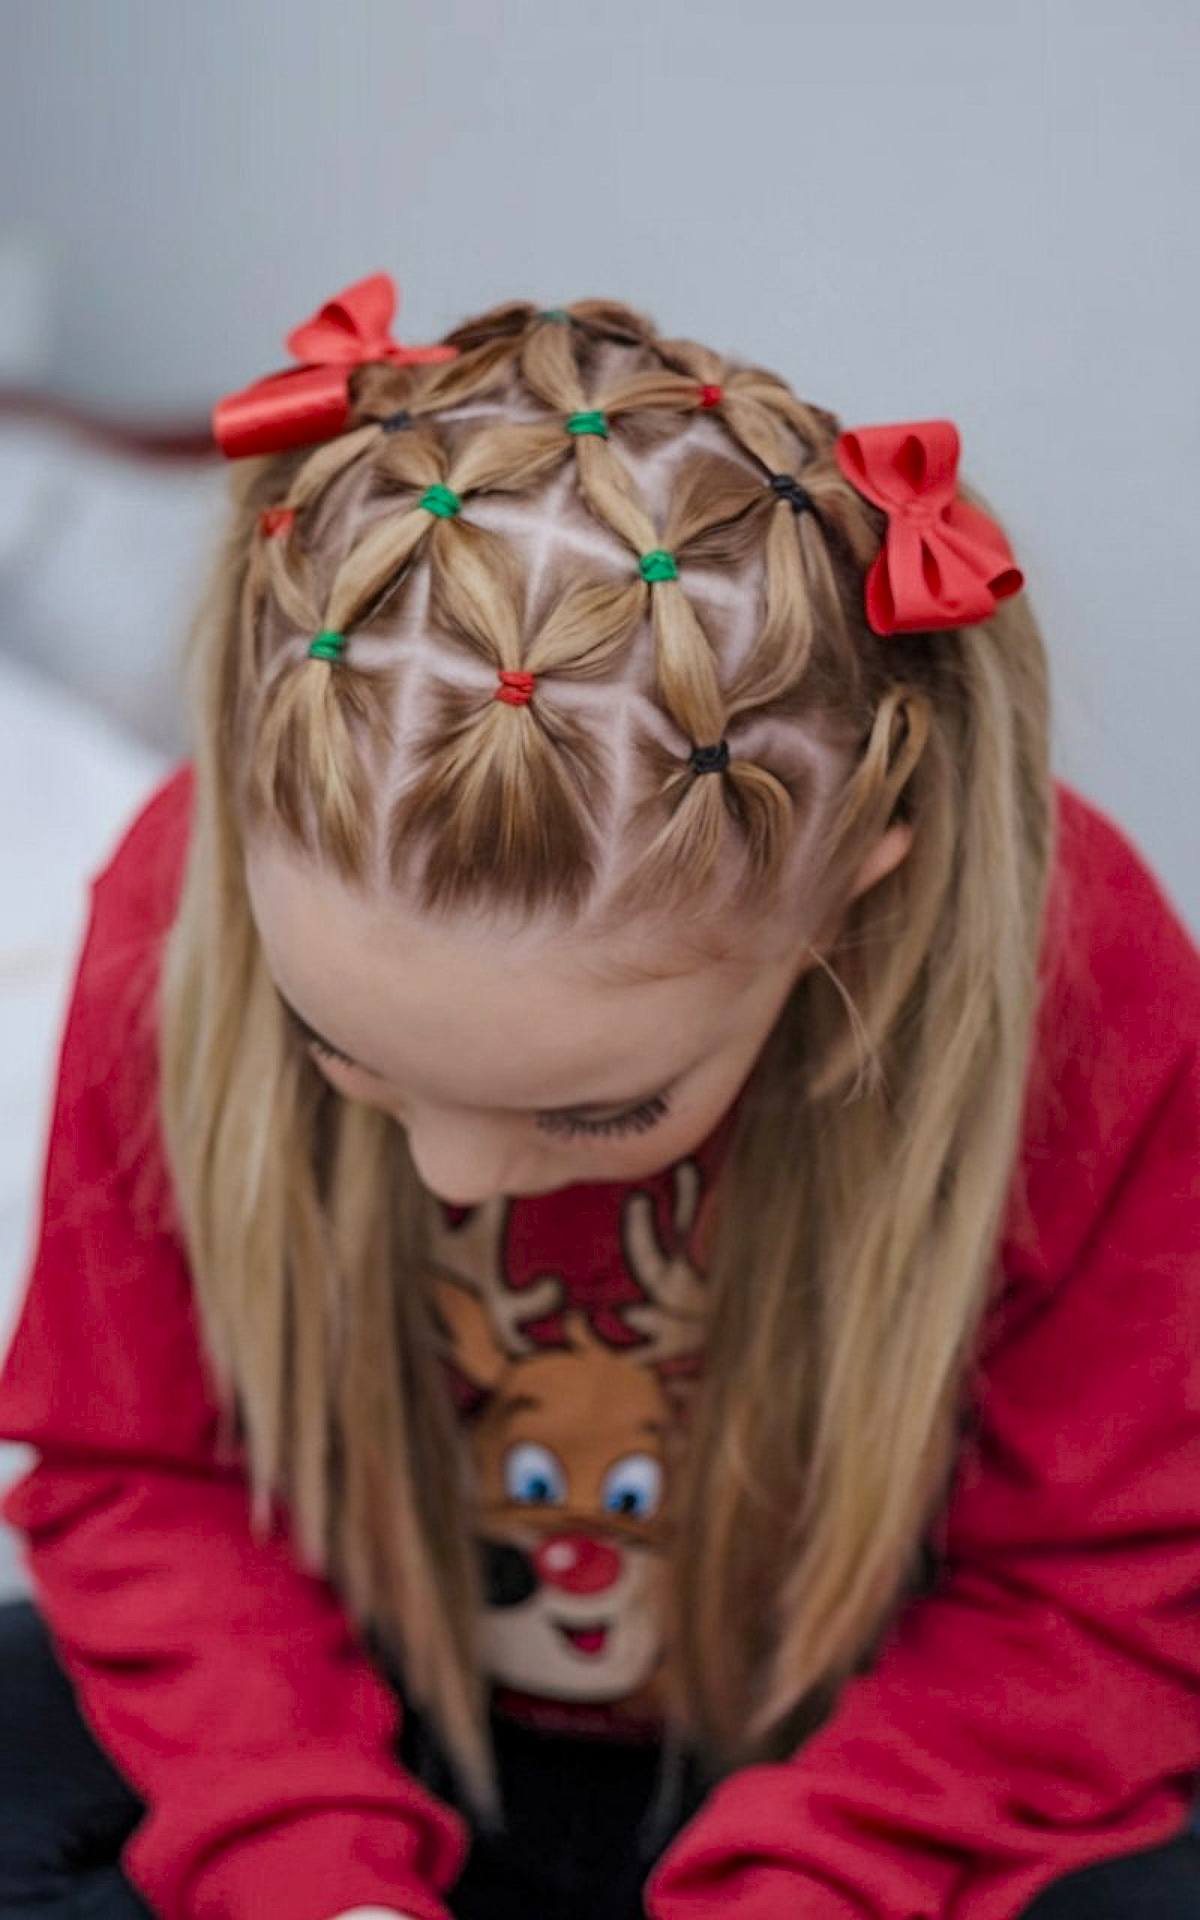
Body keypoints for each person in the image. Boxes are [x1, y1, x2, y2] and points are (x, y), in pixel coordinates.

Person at [0, 273, 1197, 1920]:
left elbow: (1099, 1586)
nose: (460, 1177)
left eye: (595, 1115)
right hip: (348, 1706)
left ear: (855, 891)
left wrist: (811, 1884)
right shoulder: (177, 901)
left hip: (862, 1749)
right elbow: (141, 1475)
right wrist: (309, 1869)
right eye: (339, 1045)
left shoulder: (1076, 972)